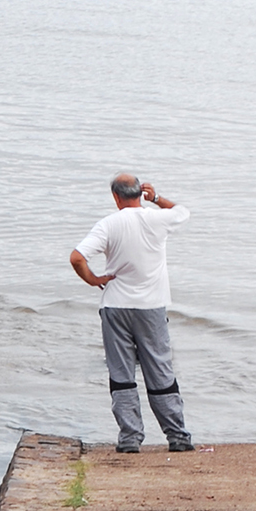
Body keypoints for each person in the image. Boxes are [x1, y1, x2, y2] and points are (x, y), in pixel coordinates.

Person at [69, 174, 193, 453]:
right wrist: (158, 198)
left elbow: (77, 257)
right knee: (160, 369)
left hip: (115, 306)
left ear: (115, 197)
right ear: (141, 193)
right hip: (151, 306)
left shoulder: (108, 224)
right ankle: (177, 436)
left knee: (121, 373)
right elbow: (182, 212)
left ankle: (130, 438)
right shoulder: (157, 219)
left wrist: (92, 279)